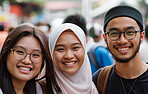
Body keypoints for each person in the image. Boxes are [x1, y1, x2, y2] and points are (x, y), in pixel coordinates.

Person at [93, 5, 148, 94]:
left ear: (141, 36)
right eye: (114, 33)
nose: (122, 41)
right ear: (105, 38)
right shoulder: (100, 80)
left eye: (130, 32)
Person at [0, 23, 60, 94]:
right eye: (20, 52)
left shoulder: (40, 90)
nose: (27, 61)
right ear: (6, 53)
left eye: (35, 55)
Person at [48, 23, 98, 94]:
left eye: (75, 48)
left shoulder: (94, 87)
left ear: (84, 49)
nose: (68, 56)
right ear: (51, 51)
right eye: (60, 49)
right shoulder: (41, 89)